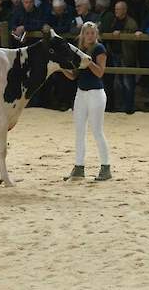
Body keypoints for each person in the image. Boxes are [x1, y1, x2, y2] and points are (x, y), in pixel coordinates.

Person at [61, 22, 112, 182]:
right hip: (81, 93)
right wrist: (61, 68)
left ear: (96, 34)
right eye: (87, 33)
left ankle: (105, 167)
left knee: (97, 130)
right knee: (79, 131)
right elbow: (74, 75)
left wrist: (89, 62)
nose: (90, 36)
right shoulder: (80, 51)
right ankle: (79, 166)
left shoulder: (99, 49)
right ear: (83, 35)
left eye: (92, 33)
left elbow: (100, 73)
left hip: (96, 93)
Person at [102, 1, 139, 114]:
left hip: (126, 55)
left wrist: (121, 34)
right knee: (118, 82)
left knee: (128, 82)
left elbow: (134, 42)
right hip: (114, 54)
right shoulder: (113, 21)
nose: (116, 11)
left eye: (119, 9)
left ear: (125, 10)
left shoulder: (131, 23)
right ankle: (121, 105)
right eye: (116, 9)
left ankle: (129, 107)